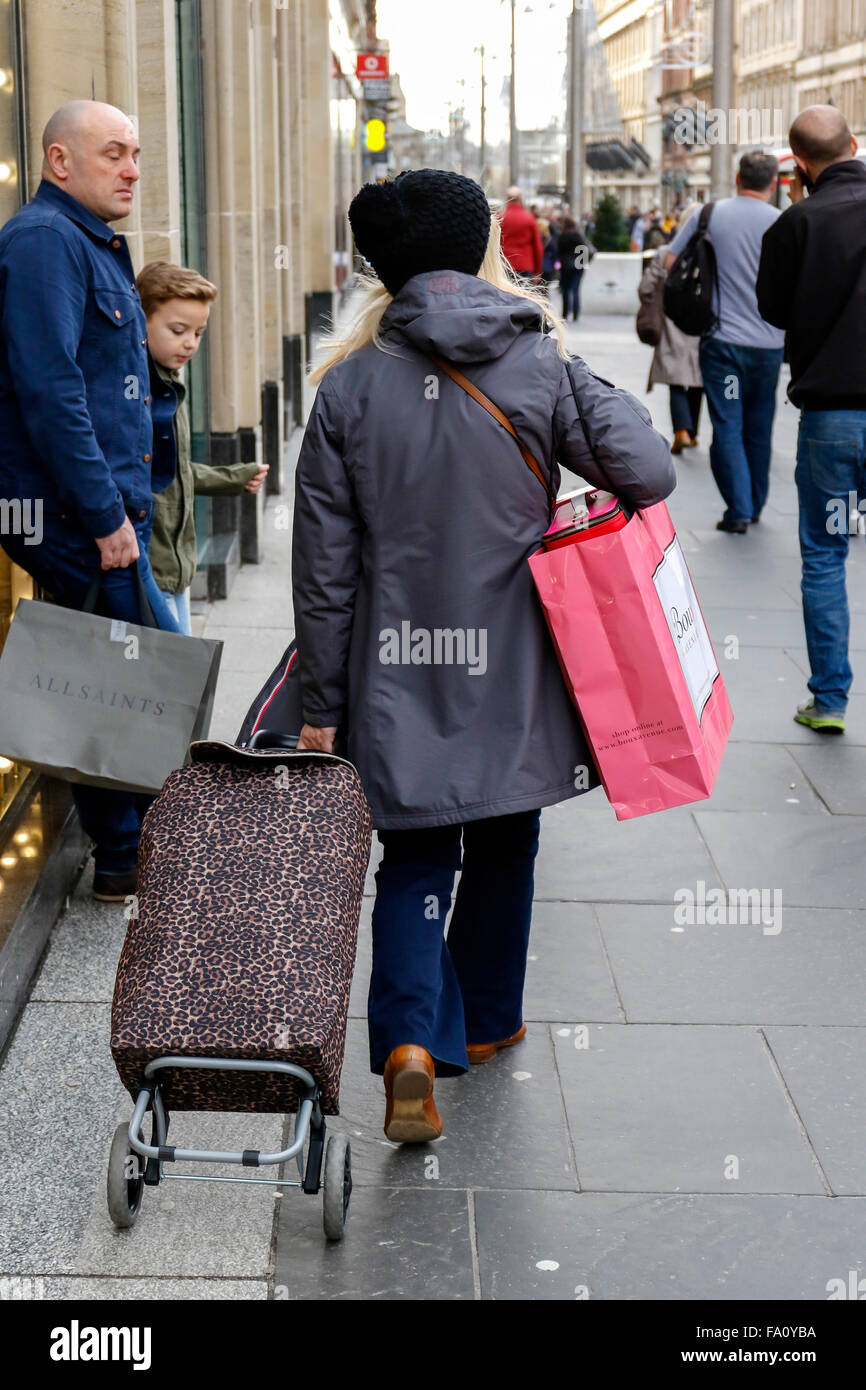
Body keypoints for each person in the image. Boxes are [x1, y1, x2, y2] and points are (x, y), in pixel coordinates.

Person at [291, 168, 675, 1143]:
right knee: (507, 835)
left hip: (392, 665)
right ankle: (491, 1022)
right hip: (516, 658)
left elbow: (324, 573)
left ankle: (411, 1041)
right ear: (477, 249)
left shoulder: (347, 388)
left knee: (416, 856)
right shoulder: (534, 359)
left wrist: (321, 700)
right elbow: (648, 467)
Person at [0, 100, 181, 903]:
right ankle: (125, 856)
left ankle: (131, 848)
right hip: (79, 515)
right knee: (113, 679)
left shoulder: (89, 242)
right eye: (114, 154)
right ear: (59, 161)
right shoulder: (43, 243)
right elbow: (51, 391)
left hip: (111, 507)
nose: (133, 169)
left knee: (132, 672)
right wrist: (106, 516)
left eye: (136, 154)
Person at [757, 106, 866, 735]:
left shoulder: (796, 222)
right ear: (854, 144)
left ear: (798, 165)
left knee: (824, 557)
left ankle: (830, 701)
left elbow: (772, 311)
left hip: (832, 418)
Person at [138, 262, 268, 634]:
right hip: (149, 569)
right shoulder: (136, 391)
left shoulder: (168, 385)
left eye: (199, 332)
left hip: (175, 569)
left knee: (180, 680)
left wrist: (233, 478)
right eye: (178, 330)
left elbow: (175, 472)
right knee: (171, 681)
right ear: (141, 319)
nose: (191, 343)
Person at [666, 151, 785, 533]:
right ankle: (755, 503)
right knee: (759, 425)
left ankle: (738, 508)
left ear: (737, 177)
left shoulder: (710, 215)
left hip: (722, 343)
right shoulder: (782, 221)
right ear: (774, 182)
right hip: (769, 345)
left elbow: (670, 262)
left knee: (728, 423)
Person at [640, 202, 703, 452]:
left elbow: (646, 288)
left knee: (676, 378)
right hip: (700, 323)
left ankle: (681, 430)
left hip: (670, 321)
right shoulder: (708, 254)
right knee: (697, 377)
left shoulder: (665, 253)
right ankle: (693, 432)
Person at [499, 184, 543, 281]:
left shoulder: (500, 218)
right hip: (526, 266)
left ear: (507, 199)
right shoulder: (529, 218)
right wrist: (538, 271)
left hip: (505, 266)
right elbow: (537, 247)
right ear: (521, 199)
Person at [557, 215, 591, 322]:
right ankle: (576, 313)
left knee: (565, 290)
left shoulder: (562, 236)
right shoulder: (578, 236)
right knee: (576, 289)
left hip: (565, 266)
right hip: (578, 266)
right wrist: (584, 263)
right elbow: (586, 250)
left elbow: (558, 252)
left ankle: (565, 313)